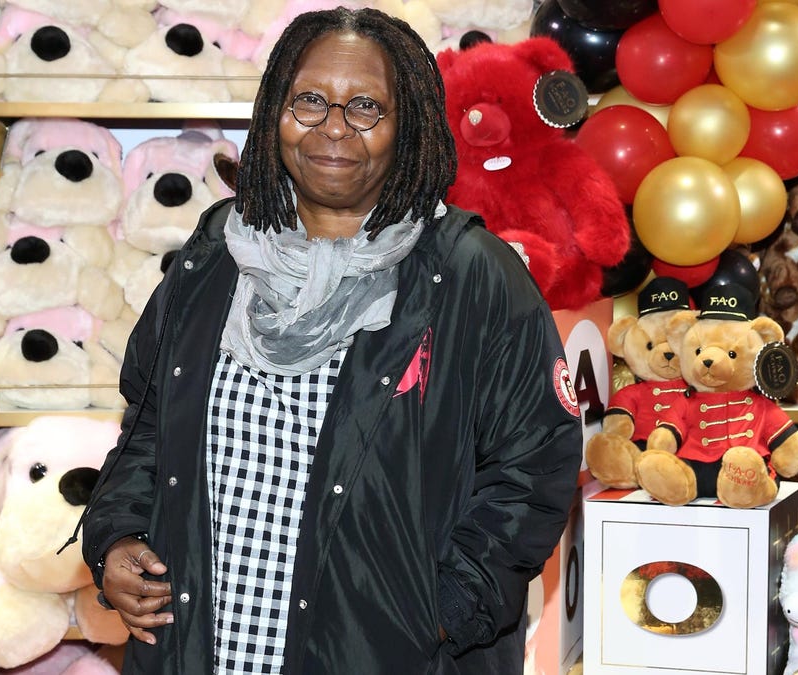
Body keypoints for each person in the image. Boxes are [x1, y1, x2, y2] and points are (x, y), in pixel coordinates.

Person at [79, 7, 583, 673]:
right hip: (203, 649)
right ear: (275, 114)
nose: (334, 126)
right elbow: (148, 425)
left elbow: (534, 468)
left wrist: (440, 611)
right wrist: (117, 534)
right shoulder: (216, 255)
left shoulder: (470, 274)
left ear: (409, 125)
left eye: (366, 106)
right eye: (309, 100)